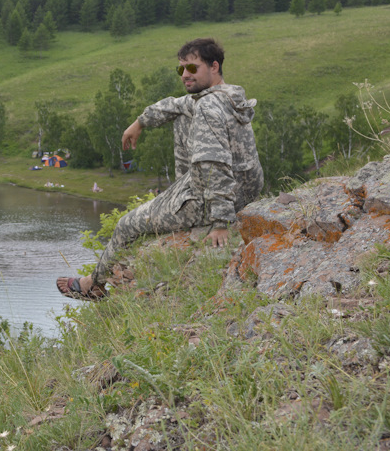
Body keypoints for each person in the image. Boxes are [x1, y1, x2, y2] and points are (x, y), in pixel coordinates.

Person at [57, 37, 263, 300]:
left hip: (215, 200)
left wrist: (220, 222)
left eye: (192, 68)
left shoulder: (209, 107)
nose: (185, 75)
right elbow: (174, 105)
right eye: (181, 69)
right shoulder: (225, 95)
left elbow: (215, 164)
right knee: (179, 113)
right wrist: (140, 122)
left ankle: (92, 284)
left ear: (214, 67)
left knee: (125, 225)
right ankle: (180, 191)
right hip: (245, 190)